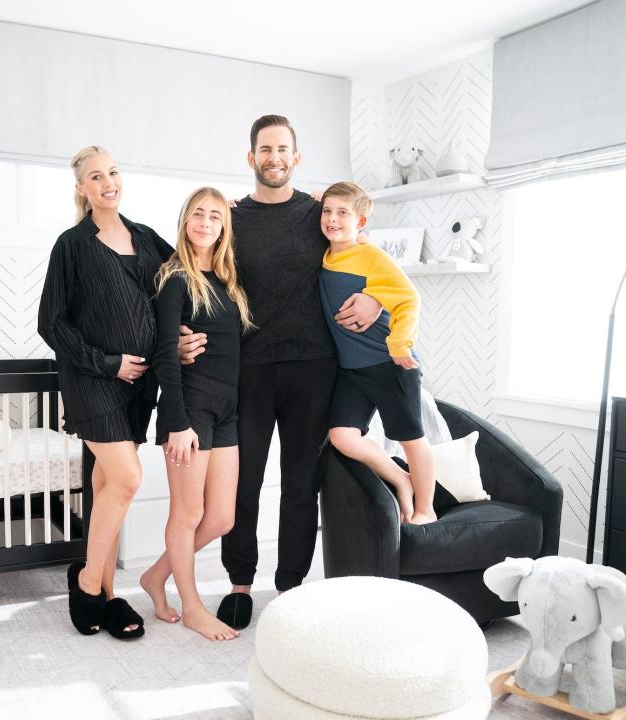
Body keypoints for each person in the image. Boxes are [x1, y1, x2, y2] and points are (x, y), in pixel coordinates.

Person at [178, 116, 383, 629]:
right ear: (251, 158)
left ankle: (291, 584)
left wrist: (376, 298)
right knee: (242, 486)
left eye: (283, 148)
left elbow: (367, 258)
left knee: (300, 484)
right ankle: (240, 584)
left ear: (296, 157)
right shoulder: (229, 216)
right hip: (246, 369)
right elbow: (190, 267)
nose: (274, 156)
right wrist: (178, 334)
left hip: (314, 367)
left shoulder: (319, 213)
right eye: (264, 149)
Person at [38, 146, 174, 639]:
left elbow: (183, 290)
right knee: (128, 477)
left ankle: (108, 594)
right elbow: (50, 322)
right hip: (91, 381)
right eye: (96, 176)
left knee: (107, 488)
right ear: (82, 189)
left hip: (140, 388)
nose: (107, 182)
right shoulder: (71, 245)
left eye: (113, 172)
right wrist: (107, 363)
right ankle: (90, 581)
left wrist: (181, 339)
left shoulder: (149, 239)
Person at [139, 187, 255, 641]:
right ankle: (191, 606)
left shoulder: (228, 281)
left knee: (221, 518)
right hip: (190, 408)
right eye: (198, 215)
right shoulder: (175, 279)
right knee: (187, 513)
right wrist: (177, 421)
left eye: (215, 216)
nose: (206, 223)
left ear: (225, 226)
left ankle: (154, 576)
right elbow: (167, 354)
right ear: (185, 220)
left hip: (227, 409)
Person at [319, 182, 436, 524]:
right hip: (352, 370)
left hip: (389, 363)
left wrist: (400, 345)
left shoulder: (371, 255)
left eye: (343, 213)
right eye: (327, 211)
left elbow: (409, 298)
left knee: (411, 438)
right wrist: (317, 200)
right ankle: (401, 478)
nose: (333, 219)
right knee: (342, 436)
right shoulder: (328, 253)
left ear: (361, 221)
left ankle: (426, 509)